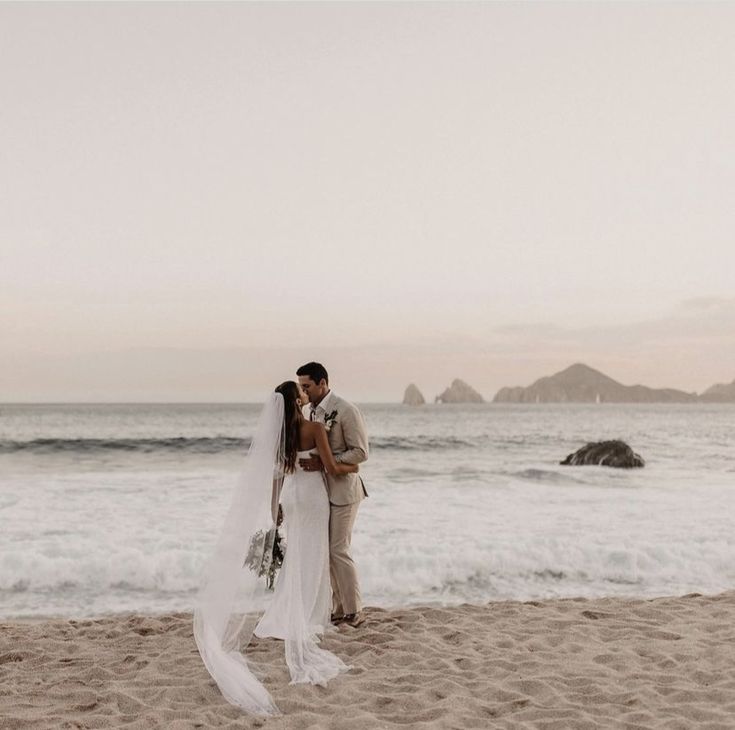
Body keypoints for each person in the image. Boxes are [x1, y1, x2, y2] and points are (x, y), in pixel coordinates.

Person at [193, 381, 357, 715]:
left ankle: (286, 612)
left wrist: (274, 508)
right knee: (314, 556)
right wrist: (350, 466)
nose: (305, 393)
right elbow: (328, 465)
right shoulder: (313, 428)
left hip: (291, 499)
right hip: (312, 499)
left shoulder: (281, 436)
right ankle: (310, 613)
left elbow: (277, 476)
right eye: (301, 392)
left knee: (297, 555)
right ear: (298, 401)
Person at [296, 362, 369, 628]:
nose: (303, 392)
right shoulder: (308, 411)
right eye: (301, 387)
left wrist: (328, 462)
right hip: (320, 493)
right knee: (326, 551)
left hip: (344, 491)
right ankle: (339, 609)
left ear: (322, 383)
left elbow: (361, 452)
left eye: (307, 386)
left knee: (339, 549)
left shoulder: (346, 410)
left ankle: (355, 610)